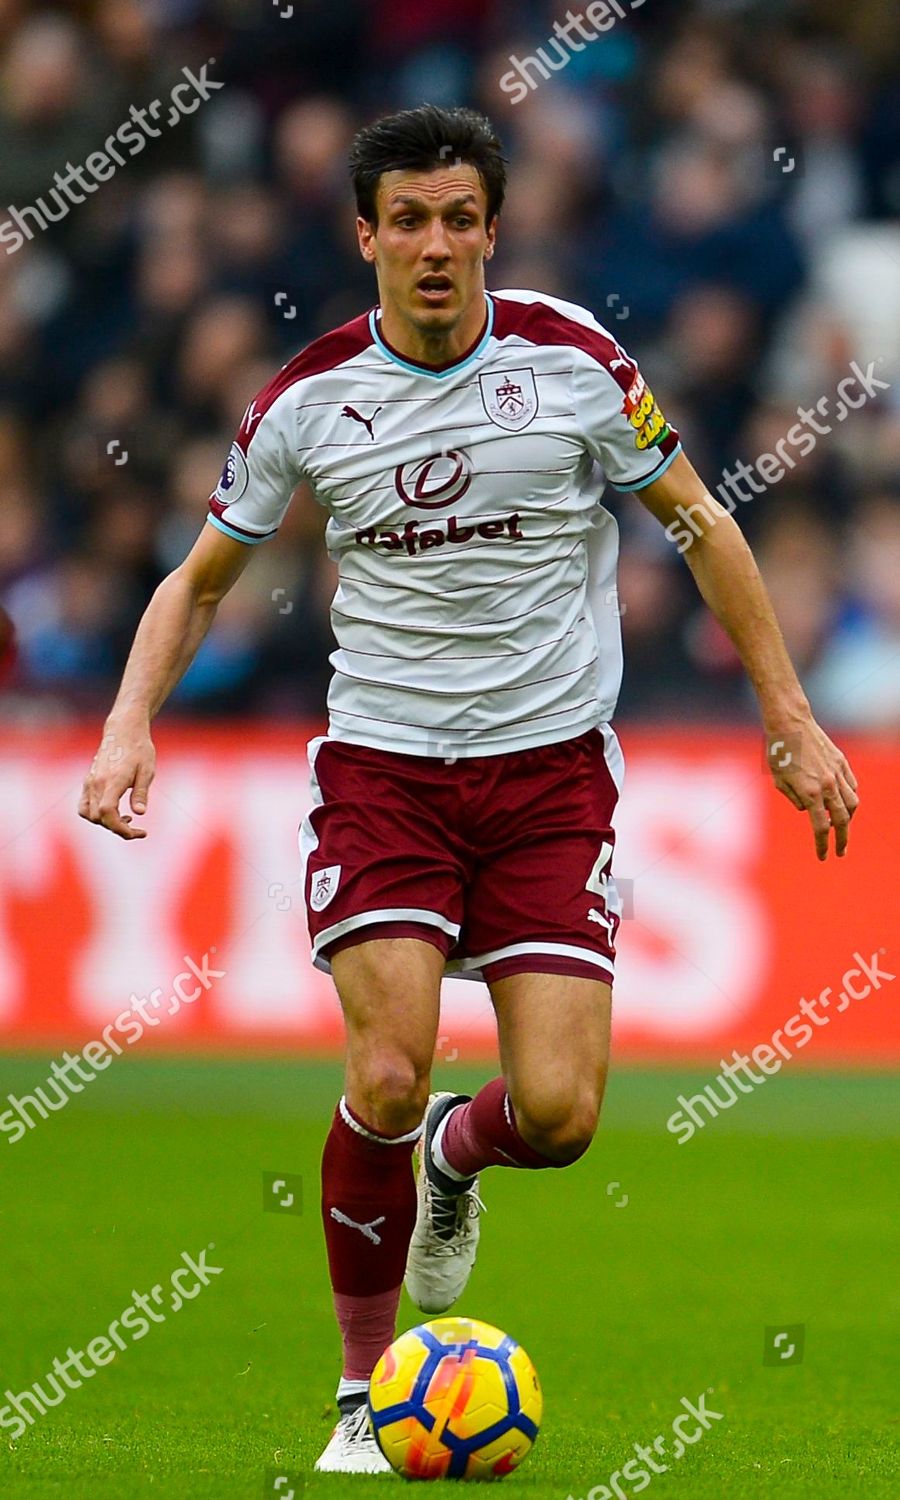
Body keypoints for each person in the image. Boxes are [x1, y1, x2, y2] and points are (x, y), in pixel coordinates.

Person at [79, 104, 859, 1474]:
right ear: (364, 233)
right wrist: (129, 724)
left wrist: (787, 715)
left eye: (460, 220)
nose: (436, 247)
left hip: (552, 778)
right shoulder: (306, 400)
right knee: (381, 1070)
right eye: (409, 222)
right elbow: (198, 581)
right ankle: (356, 1398)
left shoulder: (575, 365)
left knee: (556, 1117)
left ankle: (458, 1153)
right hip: (386, 771)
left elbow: (705, 524)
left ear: (492, 228)